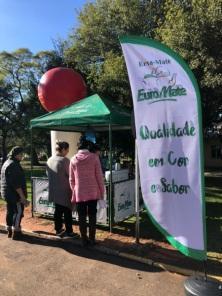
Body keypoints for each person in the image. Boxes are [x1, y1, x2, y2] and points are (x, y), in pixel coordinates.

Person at [69, 137, 105, 246]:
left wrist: (74, 190)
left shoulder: (73, 159)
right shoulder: (94, 158)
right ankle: (92, 239)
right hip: (93, 192)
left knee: (82, 217)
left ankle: (84, 240)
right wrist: (102, 192)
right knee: (92, 216)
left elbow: (71, 179)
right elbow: (99, 176)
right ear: (88, 147)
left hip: (79, 192)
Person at [46, 141, 77, 238]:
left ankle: (58, 230)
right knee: (67, 212)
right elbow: (72, 175)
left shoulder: (49, 160)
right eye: (67, 149)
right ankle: (69, 231)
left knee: (58, 211)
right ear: (63, 149)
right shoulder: (65, 161)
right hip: (65, 191)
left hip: (54, 191)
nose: (68, 151)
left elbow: (47, 174)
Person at [0, 146, 29, 240]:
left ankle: (9, 229)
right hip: (14, 194)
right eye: (21, 154)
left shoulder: (7, 162)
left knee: (10, 211)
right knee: (18, 212)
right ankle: (16, 232)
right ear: (17, 155)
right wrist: (22, 197)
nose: (22, 156)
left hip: (6, 193)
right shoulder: (14, 165)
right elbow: (16, 184)